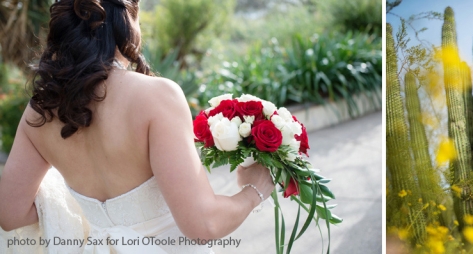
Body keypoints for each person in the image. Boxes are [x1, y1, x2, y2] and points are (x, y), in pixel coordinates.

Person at [0, 0, 275, 253]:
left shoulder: (39, 112)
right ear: (126, 22)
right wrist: (254, 191)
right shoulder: (156, 96)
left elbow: (10, 214)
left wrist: (77, 207)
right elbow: (204, 224)